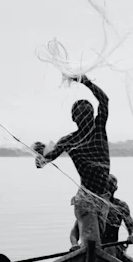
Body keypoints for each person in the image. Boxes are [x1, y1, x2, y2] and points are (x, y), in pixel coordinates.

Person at [32, 74, 111, 246]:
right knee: (93, 244)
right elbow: (41, 163)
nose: (86, 116)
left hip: (103, 200)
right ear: (74, 119)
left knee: (98, 244)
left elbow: (104, 101)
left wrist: (87, 82)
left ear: (93, 114)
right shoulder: (69, 141)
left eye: (88, 112)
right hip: (86, 200)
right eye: (81, 114)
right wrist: (38, 152)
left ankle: (83, 257)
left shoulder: (99, 129)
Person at [69, 174, 133, 250]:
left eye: (110, 187)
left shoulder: (120, 206)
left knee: (110, 250)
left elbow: (132, 227)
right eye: (105, 187)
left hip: (111, 248)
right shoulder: (91, 205)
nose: (107, 190)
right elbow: (75, 231)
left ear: (115, 188)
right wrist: (74, 244)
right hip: (88, 248)